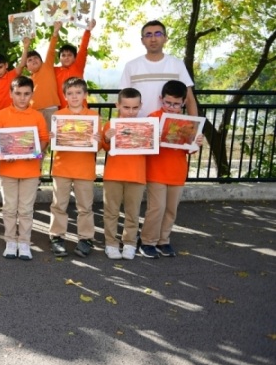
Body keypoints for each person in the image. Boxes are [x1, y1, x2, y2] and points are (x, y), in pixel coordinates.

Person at [139, 80, 204, 258]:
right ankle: (147, 241)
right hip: (156, 171)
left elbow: (192, 151)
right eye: (168, 103)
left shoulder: (189, 122)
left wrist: (196, 142)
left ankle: (163, 240)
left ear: (183, 102)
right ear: (161, 99)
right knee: (156, 208)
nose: (171, 107)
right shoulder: (153, 117)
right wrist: (154, 138)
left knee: (170, 209)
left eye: (176, 104)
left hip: (177, 172)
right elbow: (143, 144)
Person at [0, 76, 49, 261]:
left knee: (25, 209)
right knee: (9, 208)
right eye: (18, 94)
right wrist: (1, 153)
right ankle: (10, 241)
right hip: (7, 171)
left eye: (26, 94)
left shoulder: (37, 116)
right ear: (11, 94)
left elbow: (43, 139)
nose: (22, 98)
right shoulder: (1, 115)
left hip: (30, 171)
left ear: (31, 94)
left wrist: (37, 152)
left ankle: (24, 242)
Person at [48, 77, 100, 258]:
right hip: (62, 168)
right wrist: (52, 137)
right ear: (65, 96)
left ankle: (85, 238)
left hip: (85, 169)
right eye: (70, 93)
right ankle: (56, 236)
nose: (74, 96)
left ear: (85, 95)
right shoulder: (58, 116)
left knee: (85, 206)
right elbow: (51, 145)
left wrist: (98, 141)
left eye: (78, 92)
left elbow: (98, 147)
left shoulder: (93, 117)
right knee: (59, 205)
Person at [100, 88, 145, 260]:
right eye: (126, 107)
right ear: (118, 105)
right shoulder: (110, 125)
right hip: (113, 175)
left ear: (140, 106)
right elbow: (105, 148)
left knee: (132, 213)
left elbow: (152, 150)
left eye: (135, 108)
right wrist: (107, 138)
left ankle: (129, 243)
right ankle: (111, 243)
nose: (130, 112)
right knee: (111, 211)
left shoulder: (145, 126)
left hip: (137, 175)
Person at [119, 20, 198, 118]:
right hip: (139, 126)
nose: (153, 39)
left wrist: (195, 129)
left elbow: (189, 99)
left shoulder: (177, 64)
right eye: (148, 35)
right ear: (142, 40)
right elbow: (123, 99)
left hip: (169, 128)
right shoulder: (131, 66)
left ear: (165, 38)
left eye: (158, 34)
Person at [23, 21, 64, 132]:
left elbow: (51, 50)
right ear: (27, 67)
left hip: (51, 109)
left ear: (42, 61)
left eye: (36, 58)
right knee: (39, 138)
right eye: (30, 60)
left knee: (52, 138)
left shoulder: (47, 67)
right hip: (35, 111)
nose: (33, 60)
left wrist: (55, 32)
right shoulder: (28, 80)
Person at [54, 19, 95, 94]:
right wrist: (55, 32)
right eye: (63, 55)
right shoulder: (54, 71)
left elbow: (83, 47)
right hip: (61, 106)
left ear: (75, 58)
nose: (66, 57)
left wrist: (88, 30)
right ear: (59, 58)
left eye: (69, 55)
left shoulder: (78, 66)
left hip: (80, 105)